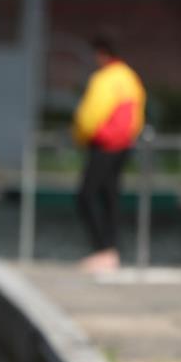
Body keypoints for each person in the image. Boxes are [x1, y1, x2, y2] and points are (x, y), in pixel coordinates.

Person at [73, 36, 146, 273]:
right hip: (123, 145)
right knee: (110, 197)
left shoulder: (104, 78)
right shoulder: (130, 77)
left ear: (102, 53)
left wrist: (79, 135)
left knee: (86, 195)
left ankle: (102, 250)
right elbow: (138, 113)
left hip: (103, 144)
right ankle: (111, 251)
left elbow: (91, 114)